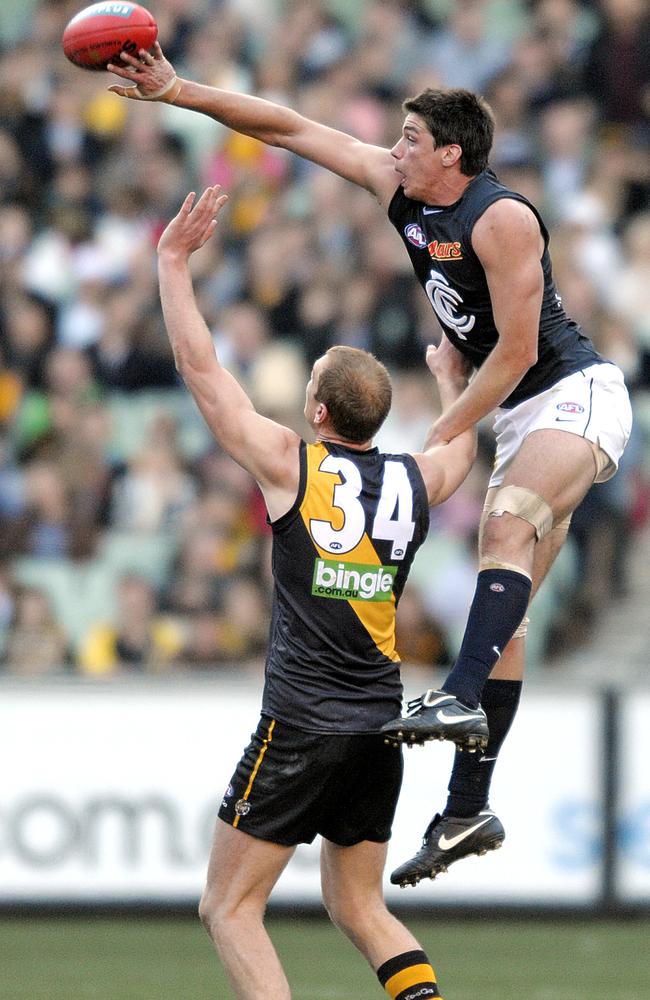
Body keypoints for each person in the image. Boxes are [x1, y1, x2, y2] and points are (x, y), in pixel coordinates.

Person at [108, 48, 633, 888]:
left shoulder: (502, 219)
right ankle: (467, 809)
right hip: (514, 407)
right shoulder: (402, 190)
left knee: (502, 532)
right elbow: (288, 127)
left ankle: (458, 696)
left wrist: (446, 416)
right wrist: (178, 92)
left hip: (574, 391)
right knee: (512, 615)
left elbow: (524, 352)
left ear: (451, 154)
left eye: (411, 135)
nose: (394, 146)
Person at [156, 184, 476, 999]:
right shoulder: (414, 479)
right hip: (380, 724)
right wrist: (452, 380)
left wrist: (171, 263)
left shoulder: (289, 463)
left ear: (318, 408)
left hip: (301, 721)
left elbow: (203, 372)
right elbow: (459, 452)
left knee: (228, 907)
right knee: (358, 904)